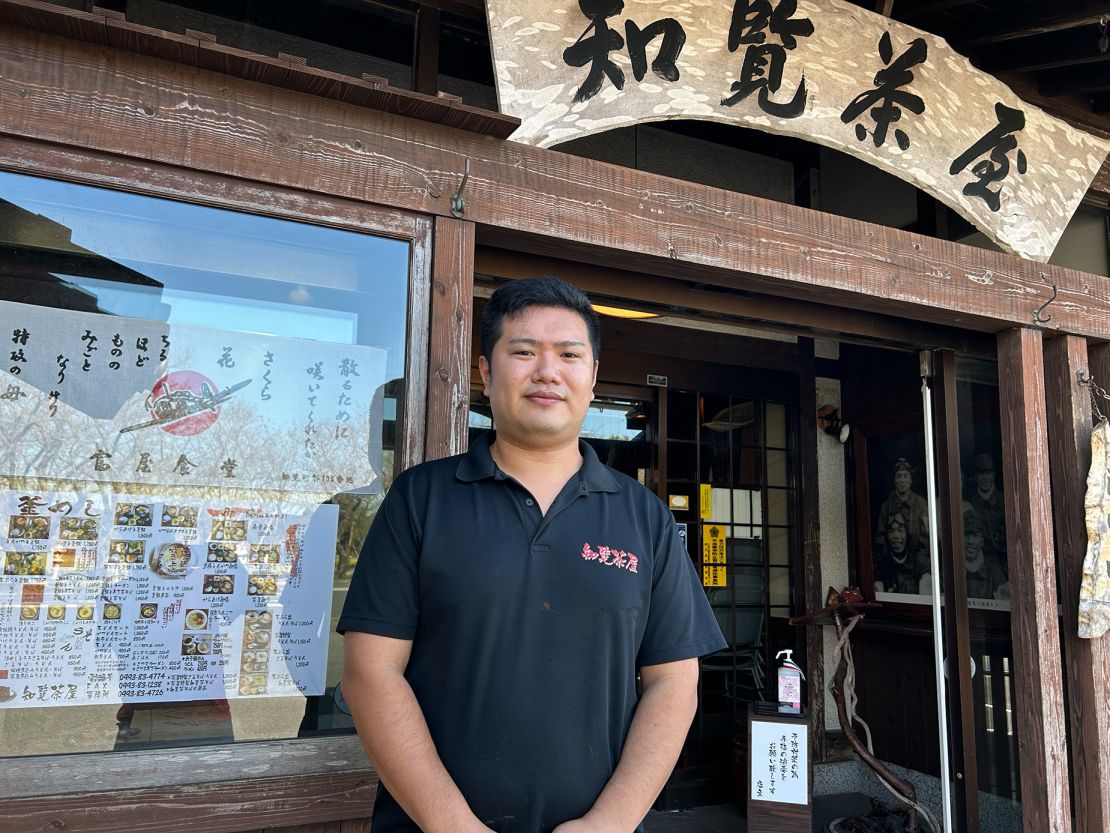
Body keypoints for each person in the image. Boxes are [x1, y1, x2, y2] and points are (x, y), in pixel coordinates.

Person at [338, 277, 726, 833]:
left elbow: (673, 681)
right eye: (523, 352)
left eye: (569, 355)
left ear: (592, 377)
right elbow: (370, 672)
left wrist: (609, 823)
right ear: (485, 371)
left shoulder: (644, 516)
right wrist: (453, 826)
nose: (548, 371)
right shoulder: (421, 499)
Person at [875, 457, 929, 567]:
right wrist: (889, 559)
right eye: (899, 476)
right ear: (894, 481)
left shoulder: (921, 504)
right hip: (893, 560)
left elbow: (926, 536)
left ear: (911, 480)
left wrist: (919, 561)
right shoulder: (886, 506)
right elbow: (880, 537)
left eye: (906, 476)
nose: (902, 480)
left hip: (917, 562)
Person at [872, 511, 924, 594]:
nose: (896, 536)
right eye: (891, 531)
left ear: (907, 534)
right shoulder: (881, 568)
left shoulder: (918, 564)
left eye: (900, 530)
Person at [967, 452, 1006, 564]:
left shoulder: (1004, 501)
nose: (985, 478)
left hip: (1002, 560)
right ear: (975, 477)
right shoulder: (970, 502)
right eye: (981, 474)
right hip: (978, 561)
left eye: (988, 473)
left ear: (994, 474)